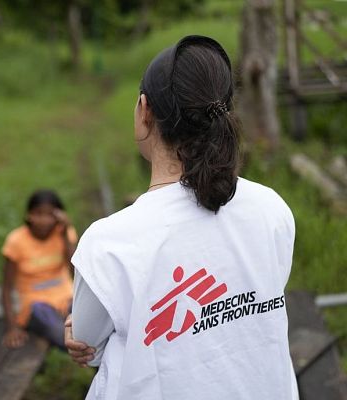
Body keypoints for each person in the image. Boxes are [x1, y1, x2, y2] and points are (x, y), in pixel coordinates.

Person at [65, 35, 298, 399]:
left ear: (145, 112)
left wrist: (77, 331)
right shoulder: (271, 208)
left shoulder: (109, 242)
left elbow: (86, 343)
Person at [1, 190, 77, 350]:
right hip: (36, 305)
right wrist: (12, 327)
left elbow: (75, 271)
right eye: (38, 214)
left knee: (91, 326)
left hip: (67, 297)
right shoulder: (16, 241)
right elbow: (6, 289)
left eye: (50, 215)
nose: (43, 220)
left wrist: (65, 233)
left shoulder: (64, 234)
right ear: (29, 215)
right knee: (62, 333)